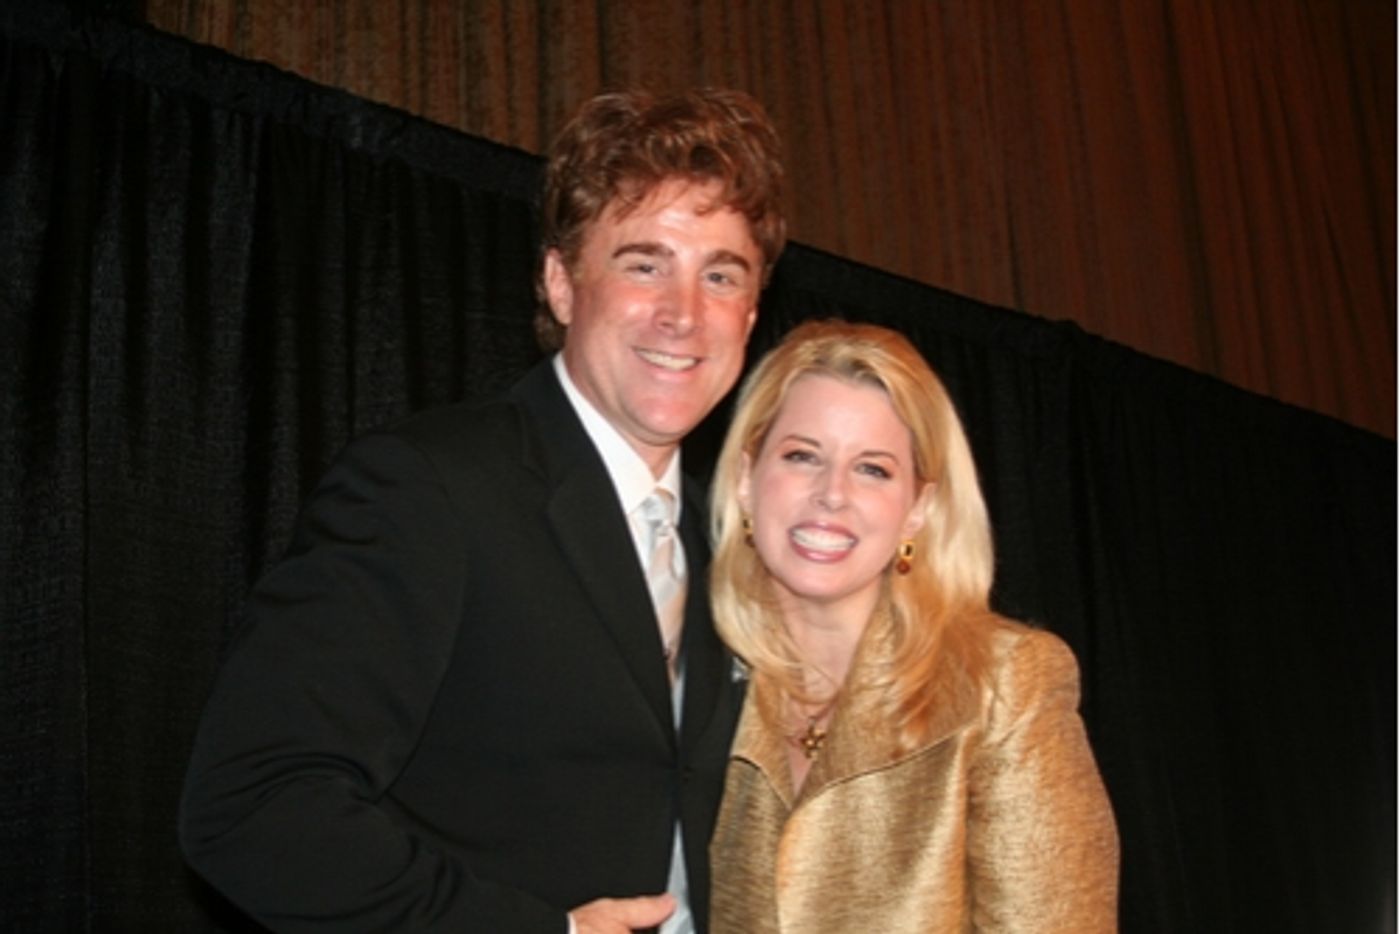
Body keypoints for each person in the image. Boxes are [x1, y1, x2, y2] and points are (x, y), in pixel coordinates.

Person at [179, 88, 787, 934]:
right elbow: (252, 806)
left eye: (720, 275)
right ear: (561, 283)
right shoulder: (427, 485)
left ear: (750, 315)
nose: (683, 314)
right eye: (644, 264)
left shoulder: (734, 544)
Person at [705, 320, 1119, 932]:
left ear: (918, 509)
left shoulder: (1003, 683)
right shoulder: (693, 681)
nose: (831, 494)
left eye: (872, 469)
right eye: (802, 456)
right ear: (746, 478)